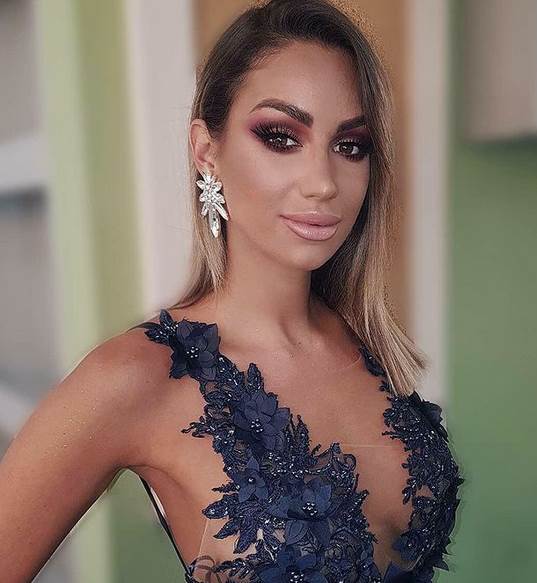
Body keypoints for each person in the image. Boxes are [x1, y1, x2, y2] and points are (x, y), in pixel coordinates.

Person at [0, 1, 464, 582]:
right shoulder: (137, 377)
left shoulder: (365, 343)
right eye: (281, 137)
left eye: (350, 145)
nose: (323, 183)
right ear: (206, 151)